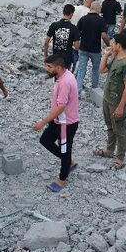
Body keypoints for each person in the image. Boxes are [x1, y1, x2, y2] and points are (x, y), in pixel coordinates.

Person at [34, 54, 79, 192]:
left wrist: (43, 122)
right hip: (58, 121)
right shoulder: (63, 76)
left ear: (58, 67)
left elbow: (61, 107)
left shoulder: (65, 82)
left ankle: (62, 180)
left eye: (49, 66)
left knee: (65, 150)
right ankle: (68, 161)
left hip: (66, 124)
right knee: (45, 140)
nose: (46, 69)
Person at [94, 33, 126, 169]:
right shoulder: (116, 57)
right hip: (107, 98)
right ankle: (110, 150)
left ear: (119, 45)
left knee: (119, 130)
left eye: (113, 43)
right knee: (110, 126)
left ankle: (120, 157)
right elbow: (102, 69)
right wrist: (106, 55)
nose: (111, 44)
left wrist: (121, 107)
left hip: (117, 102)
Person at [75, 2, 109, 91]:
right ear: (98, 9)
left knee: (81, 69)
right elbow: (104, 36)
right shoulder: (101, 20)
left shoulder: (83, 19)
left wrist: (77, 45)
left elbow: (77, 33)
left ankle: (78, 89)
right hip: (95, 49)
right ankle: (94, 88)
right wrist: (109, 45)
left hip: (83, 48)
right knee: (96, 69)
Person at [44, 4, 81, 70]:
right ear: (72, 14)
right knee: (65, 77)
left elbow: (46, 42)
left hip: (55, 57)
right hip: (67, 58)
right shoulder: (74, 28)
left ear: (63, 12)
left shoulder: (54, 25)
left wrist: (46, 56)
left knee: (56, 78)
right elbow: (77, 46)